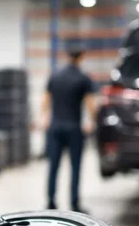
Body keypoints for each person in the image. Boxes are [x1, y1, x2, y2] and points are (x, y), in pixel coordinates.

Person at [36, 48, 97, 212]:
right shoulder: (83, 78)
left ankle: (50, 202)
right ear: (81, 57)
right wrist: (91, 121)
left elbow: (45, 100)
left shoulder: (55, 76)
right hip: (74, 128)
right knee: (75, 167)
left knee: (53, 166)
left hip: (55, 127)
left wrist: (44, 117)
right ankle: (75, 203)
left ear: (67, 56)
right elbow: (90, 104)